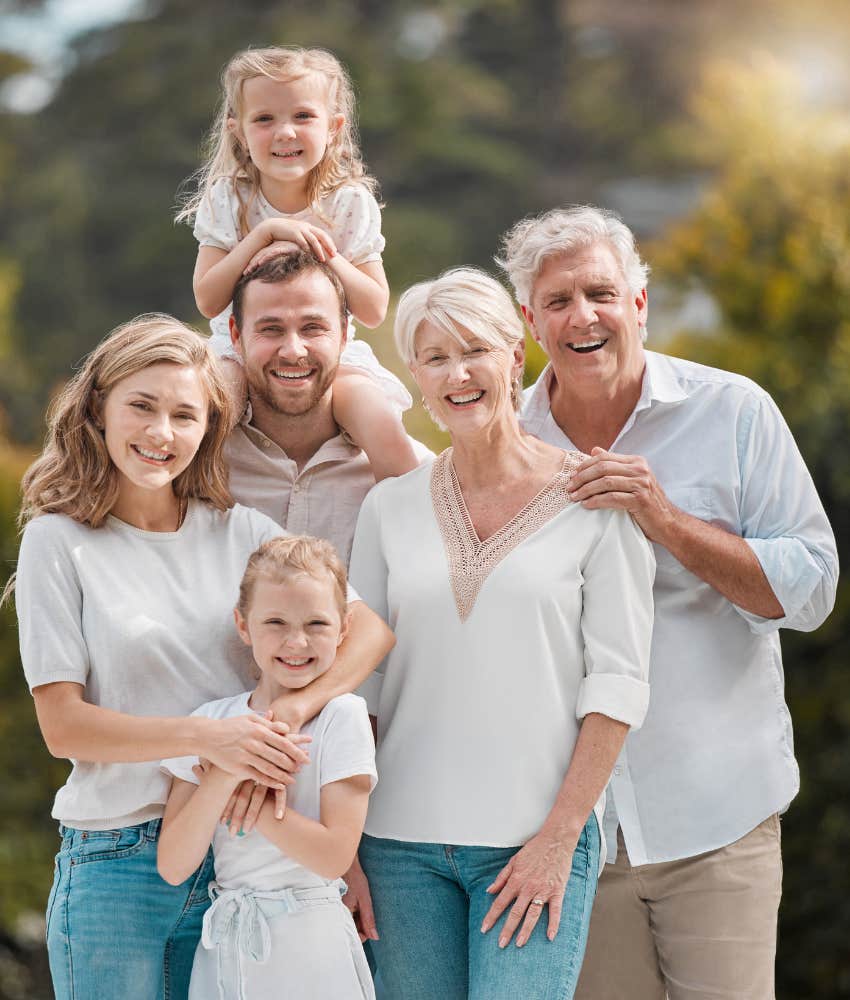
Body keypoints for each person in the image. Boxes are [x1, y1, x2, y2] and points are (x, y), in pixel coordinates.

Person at [497, 205, 839, 1000]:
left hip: (718, 821)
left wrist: (667, 521)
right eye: (557, 301)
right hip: (572, 838)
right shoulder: (504, 440)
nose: (582, 316)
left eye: (600, 293)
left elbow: (813, 588)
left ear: (638, 303)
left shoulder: (735, 412)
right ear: (528, 322)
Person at [12, 315, 393, 1000]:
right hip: (118, 861)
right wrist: (212, 741)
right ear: (98, 406)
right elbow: (64, 725)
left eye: (185, 415)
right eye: (143, 406)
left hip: (242, 860)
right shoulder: (58, 541)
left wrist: (292, 712)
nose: (162, 433)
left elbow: (368, 632)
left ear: (207, 428)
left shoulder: (237, 530)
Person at [346, 268, 654, 999]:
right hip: (397, 849)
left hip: (531, 845)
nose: (458, 372)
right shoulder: (387, 509)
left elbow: (617, 687)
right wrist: (346, 847)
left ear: (516, 356)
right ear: (414, 376)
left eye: (476, 349)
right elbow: (359, 692)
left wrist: (559, 838)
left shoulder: (596, 501)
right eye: (435, 356)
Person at [177, 44, 418, 481]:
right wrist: (263, 237)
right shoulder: (229, 199)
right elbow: (209, 300)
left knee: (380, 424)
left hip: (327, 350)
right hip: (239, 349)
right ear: (239, 132)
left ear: (333, 128)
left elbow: (373, 308)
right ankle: (184, 521)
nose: (285, 133)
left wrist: (321, 254)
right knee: (206, 417)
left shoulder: (347, 202)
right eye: (265, 119)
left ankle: (410, 528)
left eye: (303, 117)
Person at [158, 535, 377, 1000]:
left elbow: (334, 856)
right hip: (227, 945)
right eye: (275, 622)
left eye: (316, 623)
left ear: (343, 627)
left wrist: (252, 810)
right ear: (243, 625)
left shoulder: (343, 716)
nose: (296, 642)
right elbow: (175, 865)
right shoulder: (210, 724)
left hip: (311, 945)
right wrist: (225, 774)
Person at [222, 250, 430, 566]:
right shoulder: (196, 465)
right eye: (271, 329)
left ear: (345, 335)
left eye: (312, 328)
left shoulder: (410, 471)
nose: (293, 351)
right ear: (236, 336)